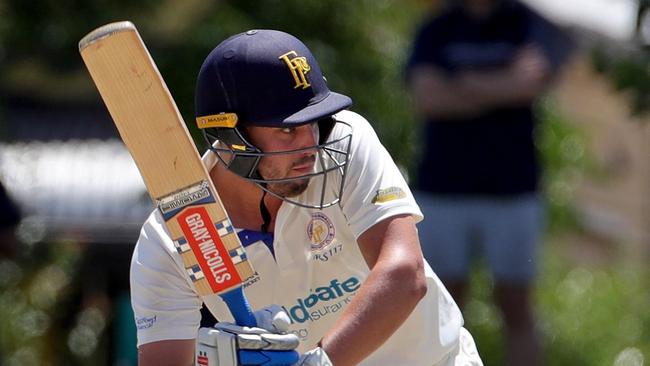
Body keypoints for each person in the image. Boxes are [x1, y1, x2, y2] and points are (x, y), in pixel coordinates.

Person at [131, 29, 483, 365]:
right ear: (232, 136)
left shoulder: (345, 141)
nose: (309, 143)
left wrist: (318, 364)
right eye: (287, 130)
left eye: (314, 120)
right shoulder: (169, 239)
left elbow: (405, 274)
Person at [405, 1, 572, 365]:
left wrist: (462, 83)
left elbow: (531, 83)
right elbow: (427, 97)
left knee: (517, 306)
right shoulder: (437, 28)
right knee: (438, 305)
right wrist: (503, 85)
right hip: (443, 189)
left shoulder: (528, 24)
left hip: (512, 192)